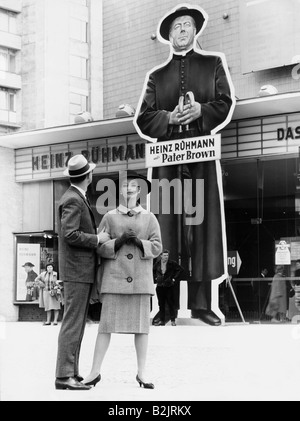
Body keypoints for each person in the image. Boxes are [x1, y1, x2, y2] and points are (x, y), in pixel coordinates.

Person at [134, 4, 235, 325]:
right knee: (167, 232)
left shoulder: (213, 63)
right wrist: (168, 117)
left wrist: (200, 112)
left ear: (195, 31)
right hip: (166, 162)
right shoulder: (155, 76)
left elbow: (225, 102)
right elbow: (143, 117)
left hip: (201, 157)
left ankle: (202, 305)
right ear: (168, 35)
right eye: (176, 25)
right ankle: (166, 308)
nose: (182, 30)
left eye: (187, 25)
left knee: (201, 228)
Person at [83, 170, 162, 389]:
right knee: (104, 328)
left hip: (140, 282)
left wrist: (139, 243)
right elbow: (99, 246)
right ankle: (94, 371)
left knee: (142, 329)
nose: (129, 188)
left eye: (133, 186)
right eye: (125, 185)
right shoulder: (109, 217)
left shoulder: (150, 217)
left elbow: (157, 246)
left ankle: (142, 373)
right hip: (115, 280)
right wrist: (118, 242)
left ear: (140, 191)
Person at [55, 154, 110, 391]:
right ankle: (64, 375)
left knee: (76, 323)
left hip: (78, 271)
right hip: (77, 271)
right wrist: (98, 238)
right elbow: (70, 234)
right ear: (88, 176)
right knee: (73, 323)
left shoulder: (74, 197)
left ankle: (71, 373)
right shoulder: (74, 200)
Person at [153, 249, 184, 326]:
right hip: (160, 286)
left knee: (170, 304)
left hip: (169, 286)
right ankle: (162, 320)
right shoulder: (157, 264)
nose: (166, 257)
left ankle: (173, 320)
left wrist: (174, 278)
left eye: (167, 255)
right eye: (164, 255)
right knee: (161, 304)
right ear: (161, 256)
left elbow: (180, 269)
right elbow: (152, 271)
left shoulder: (172, 263)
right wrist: (156, 278)